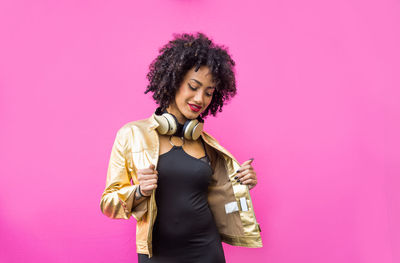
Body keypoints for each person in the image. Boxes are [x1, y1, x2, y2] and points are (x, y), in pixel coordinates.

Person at [100, 32, 263, 263]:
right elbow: (108, 204)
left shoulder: (207, 145)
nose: (200, 98)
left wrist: (244, 181)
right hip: (157, 254)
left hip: (206, 251)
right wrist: (139, 191)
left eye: (208, 92)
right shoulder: (132, 134)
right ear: (175, 81)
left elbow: (222, 192)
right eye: (193, 86)